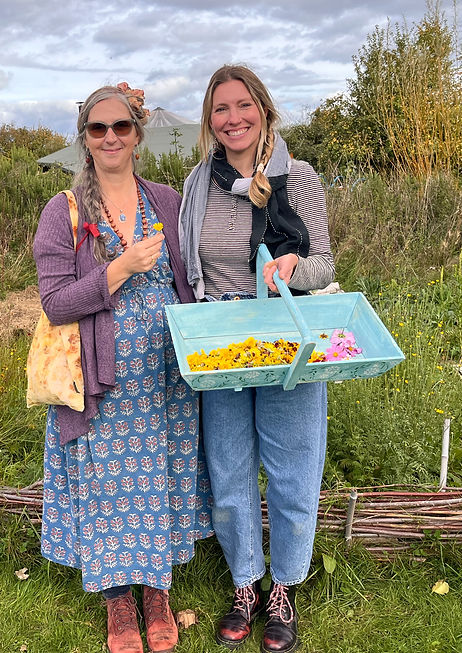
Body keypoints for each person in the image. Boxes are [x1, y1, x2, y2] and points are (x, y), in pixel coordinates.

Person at [34, 83, 213, 653]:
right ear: (85, 139)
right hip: (103, 376)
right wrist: (119, 269)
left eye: (121, 127)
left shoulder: (166, 200)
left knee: (157, 478)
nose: (110, 137)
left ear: (137, 135)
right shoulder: (63, 212)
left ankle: (157, 590)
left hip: (166, 376)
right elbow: (57, 302)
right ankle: (116, 599)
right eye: (97, 128)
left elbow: (195, 278)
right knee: (110, 484)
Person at [179, 65, 335, 653]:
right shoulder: (199, 184)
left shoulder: (300, 178)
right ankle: (245, 581)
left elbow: (325, 264)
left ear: (264, 110)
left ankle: (286, 586)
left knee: (294, 469)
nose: (233, 118)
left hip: (287, 341)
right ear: (210, 121)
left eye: (243, 105)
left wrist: (296, 268)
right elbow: (191, 269)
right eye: (221, 109)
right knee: (229, 468)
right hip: (220, 345)